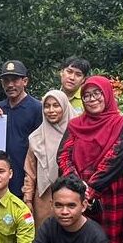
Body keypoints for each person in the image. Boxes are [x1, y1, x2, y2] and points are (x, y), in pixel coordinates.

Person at [58, 76, 123, 243]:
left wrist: (90, 190)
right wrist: (76, 186)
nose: (92, 99)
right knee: (79, 239)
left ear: (107, 94)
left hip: (109, 193)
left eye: (97, 93)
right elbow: (63, 155)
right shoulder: (76, 125)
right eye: (87, 96)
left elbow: (116, 158)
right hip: (77, 194)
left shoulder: (122, 123)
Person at [0, 60, 43, 198]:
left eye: (15, 80)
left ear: (25, 81)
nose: (10, 85)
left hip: (25, 176)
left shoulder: (37, 108)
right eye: (6, 81)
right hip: (0, 176)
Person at [23, 90, 75, 228]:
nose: (51, 110)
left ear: (64, 106)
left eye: (56, 105)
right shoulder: (36, 138)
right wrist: (28, 200)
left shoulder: (77, 134)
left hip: (71, 197)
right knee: (44, 238)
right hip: (43, 198)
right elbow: (30, 172)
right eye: (47, 106)